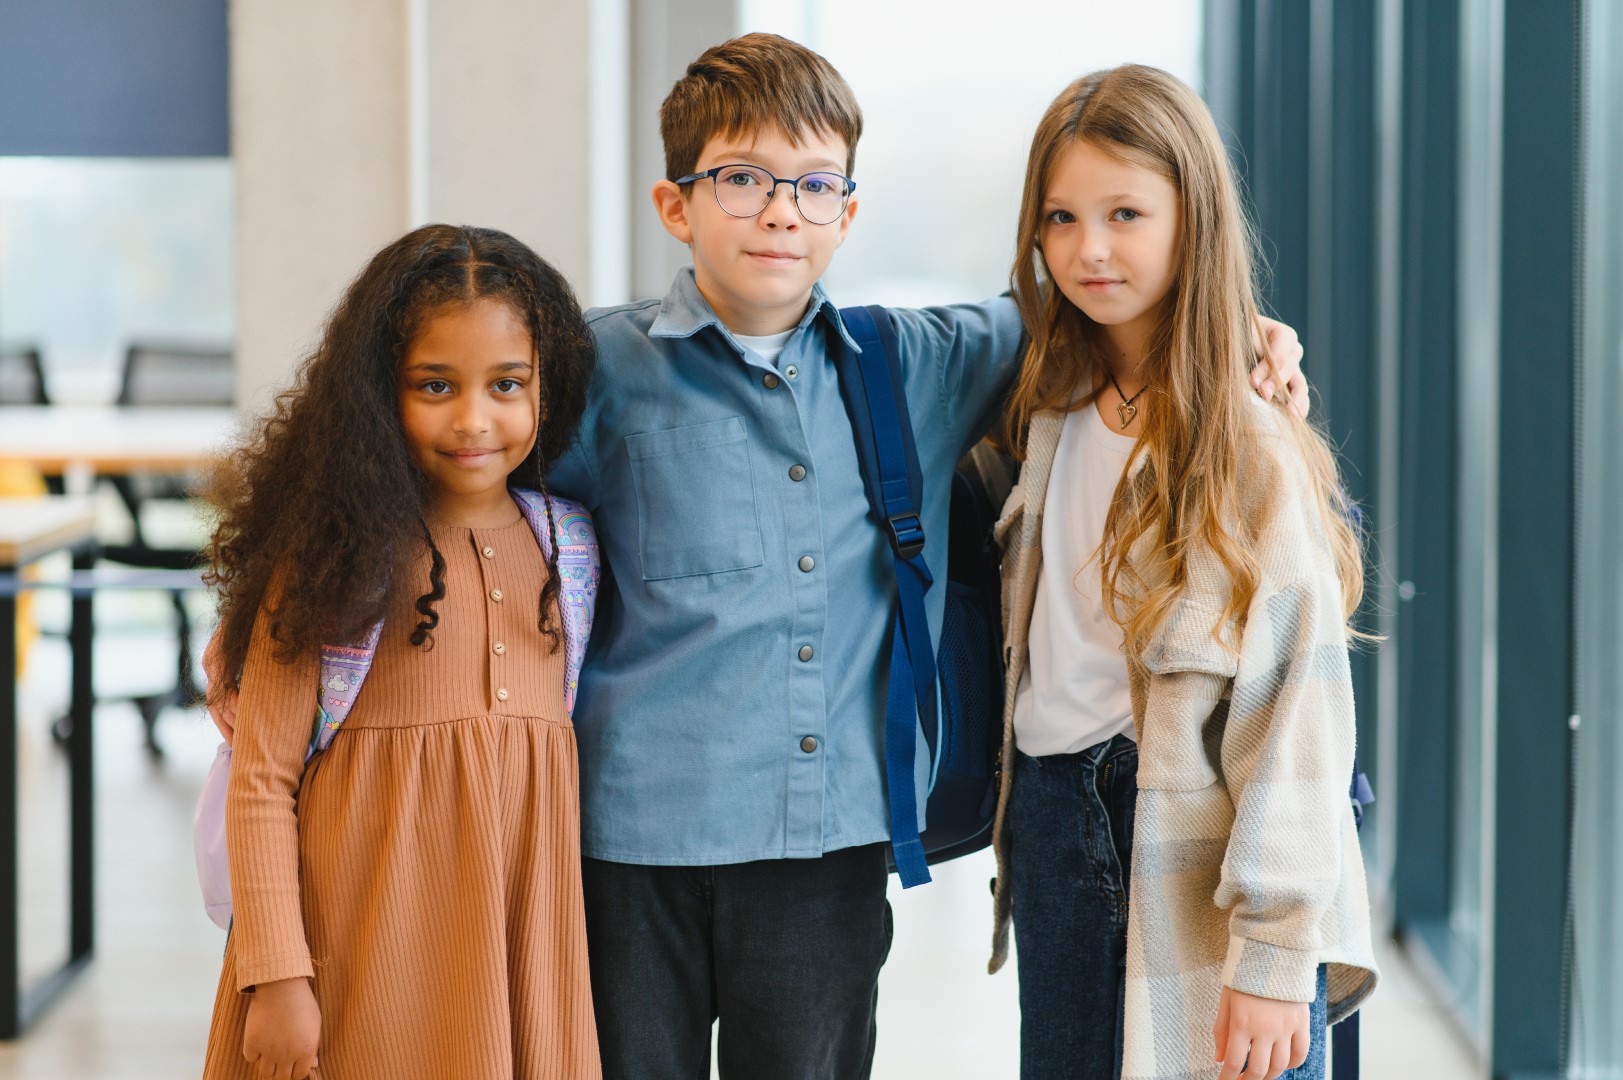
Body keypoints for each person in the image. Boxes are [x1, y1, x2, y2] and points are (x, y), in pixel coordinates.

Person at [208, 35, 1306, 1079]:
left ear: (848, 210)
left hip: (827, 852)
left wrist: (1253, 333)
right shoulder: (591, 369)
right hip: (629, 850)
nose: (781, 210)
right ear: (675, 205)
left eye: (814, 183)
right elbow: (428, 455)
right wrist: (269, 613)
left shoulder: (916, 361)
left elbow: (1100, 304)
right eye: (742, 178)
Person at [984, 65, 1378, 1080]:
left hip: (1192, 831)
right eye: (1062, 217)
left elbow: (1300, 709)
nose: (1090, 248)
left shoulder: (1243, 441)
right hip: (1053, 821)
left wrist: (1279, 952)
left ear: (1193, 217)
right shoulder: (1044, 402)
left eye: (1126, 213)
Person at [199, 224, 601, 1080]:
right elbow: (262, 781)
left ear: (547, 387)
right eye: (433, 385)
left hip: (513, 964)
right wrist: (277, 978)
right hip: (352, 959)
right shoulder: (332, 556)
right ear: (377, 392)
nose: (474, 419)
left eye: (507, 384)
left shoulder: (569, 550)